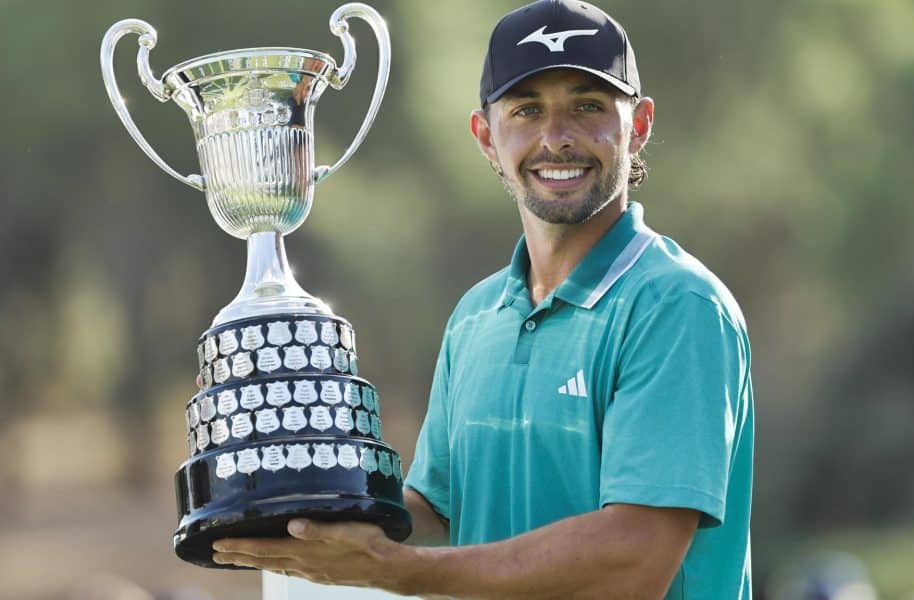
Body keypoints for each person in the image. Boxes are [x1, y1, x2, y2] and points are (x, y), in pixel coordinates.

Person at [213, 1, 754, 597]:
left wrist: (391, 570)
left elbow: (634, 560)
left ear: (640, 124)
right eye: (527, 110)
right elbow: (434, 518)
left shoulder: (676, 306)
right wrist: (296, 491)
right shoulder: (477, 317)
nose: (557, 137)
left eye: (588, 106)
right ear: (486, 137)